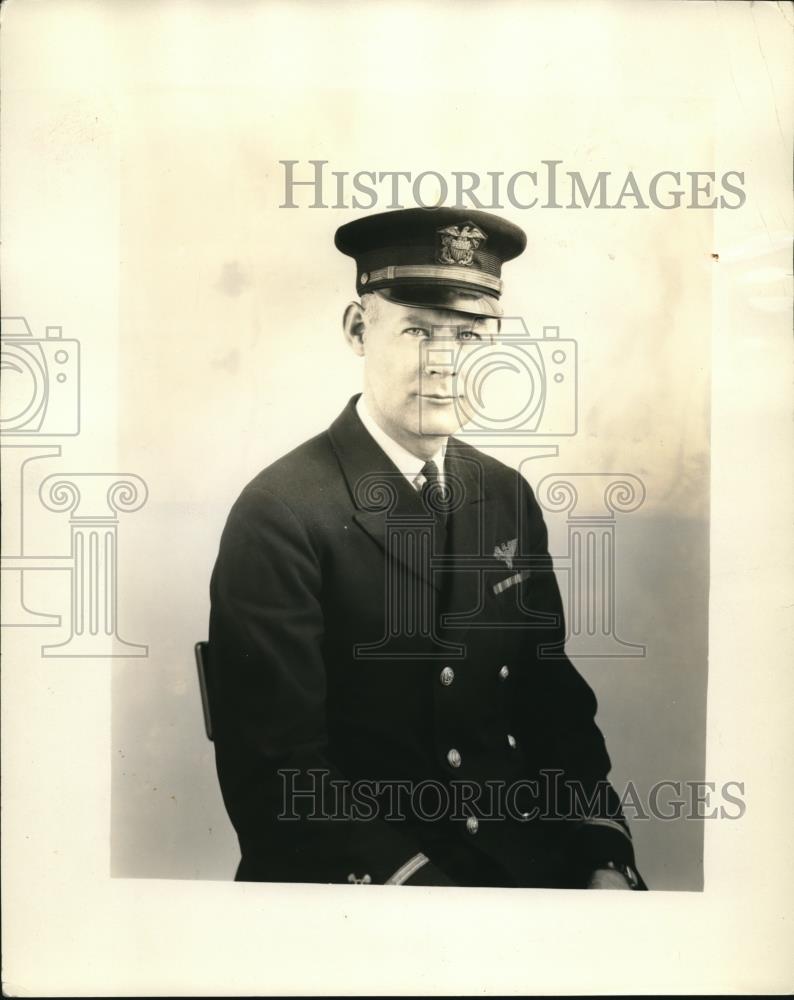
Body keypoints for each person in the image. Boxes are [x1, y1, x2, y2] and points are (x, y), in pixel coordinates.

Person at [207, 207, 646, 889]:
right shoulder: (280, 514)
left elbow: (550, 699)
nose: (445, 362)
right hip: (373, 881)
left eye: (469, 336)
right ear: (358, 328)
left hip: (519, 859)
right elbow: (280, 774)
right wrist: (430, 906)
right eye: (417, 330)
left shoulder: (505, 494)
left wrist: (601, 849)